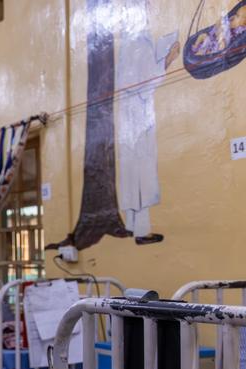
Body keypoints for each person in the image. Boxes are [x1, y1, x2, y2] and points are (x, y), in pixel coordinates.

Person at [114, 1, 178, 245]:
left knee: (134, 174)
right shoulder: (136, 43)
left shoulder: (133, 42)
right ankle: (140, 230)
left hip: (131, 119)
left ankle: (133, 227)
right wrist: (168, 58)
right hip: (137, 118)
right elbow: (144, 82)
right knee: (140, 173)